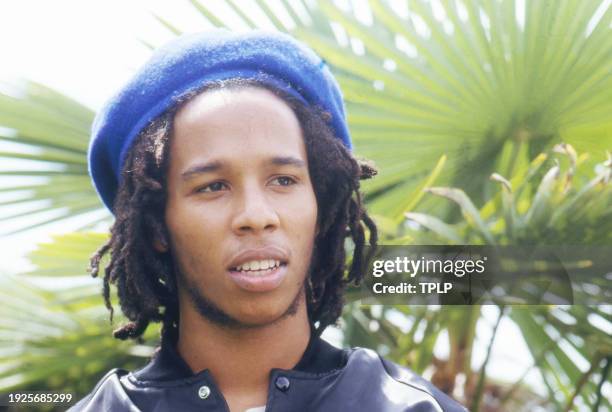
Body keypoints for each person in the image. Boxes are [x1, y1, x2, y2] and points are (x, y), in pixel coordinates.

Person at [70, 29, 465, 412]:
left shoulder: (411, 407)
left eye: (283, 180)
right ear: (158, 225)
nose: (256, 216)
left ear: (320, 207)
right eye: (213, 186)